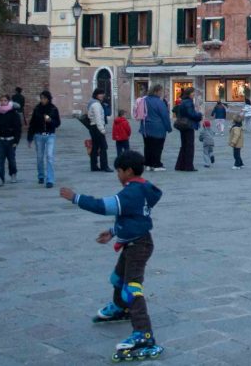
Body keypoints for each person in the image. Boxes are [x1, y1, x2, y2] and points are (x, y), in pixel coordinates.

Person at [59, 151, 164, 362]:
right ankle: (119, 307)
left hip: (138, 246)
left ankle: (143, 334)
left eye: (119, 171)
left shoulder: (131, 193)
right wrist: (114, 231)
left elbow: (103, 206)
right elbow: (133, 217)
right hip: (133, 241)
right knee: (117, 279)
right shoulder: (142, 188)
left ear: (129, 171)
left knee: (131, 288)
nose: (117, 174)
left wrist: (76, 198)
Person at [27, 91, 61, 188]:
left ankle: (50, 179)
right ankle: (41, 175)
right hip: (39, 135)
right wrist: (30, 138)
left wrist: (50, 121)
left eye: (45, 98)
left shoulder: (53, 109)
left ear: (48, 99)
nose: (43, 100)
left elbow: (58, 123)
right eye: (41, 98)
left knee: (50, 156)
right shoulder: (37, 109)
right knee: (40, 157)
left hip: (50, 135)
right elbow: (32, 124)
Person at [0, 94, 22, 186]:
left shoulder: (13, 113)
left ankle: (13, 173)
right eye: (1, 100)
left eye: (5, 100)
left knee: (11, 159)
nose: (3, 102)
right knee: (0, 160)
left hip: (11, 139)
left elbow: (18, 128)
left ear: (8, 101)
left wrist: (16, 141)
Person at [139, 84, 172, 171]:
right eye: (161, 91)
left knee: (148, 146)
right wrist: (168, 128)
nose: (161, 93)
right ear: (156, 91)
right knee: (157, 147)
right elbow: (165, 116)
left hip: (145, 127)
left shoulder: (144, 100)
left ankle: (147, 164)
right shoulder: (159, 102)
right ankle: (156, 164)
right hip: (158, 128)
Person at [172, 87, 202, 172]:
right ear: (189, 93)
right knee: (189, 146)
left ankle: (180, 165)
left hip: (182, 125)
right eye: (193, 93)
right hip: (188, 125)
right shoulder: (189, 102)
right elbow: (191, 114)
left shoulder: (183, 101)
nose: (194, 95)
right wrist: (199, 115)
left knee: (184, 145)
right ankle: (188, 166)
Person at [87, 89, 113, 173]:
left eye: (102, 94)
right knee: (103, 147)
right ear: (96, 95)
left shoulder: (92, 103)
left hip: (93, 127)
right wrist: (102, 130)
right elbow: (98, 118)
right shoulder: (96, 105)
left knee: (95, 147)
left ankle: (94, 166)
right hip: (97, 127)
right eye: (100, 94)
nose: (102, 96)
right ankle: (104, 166)